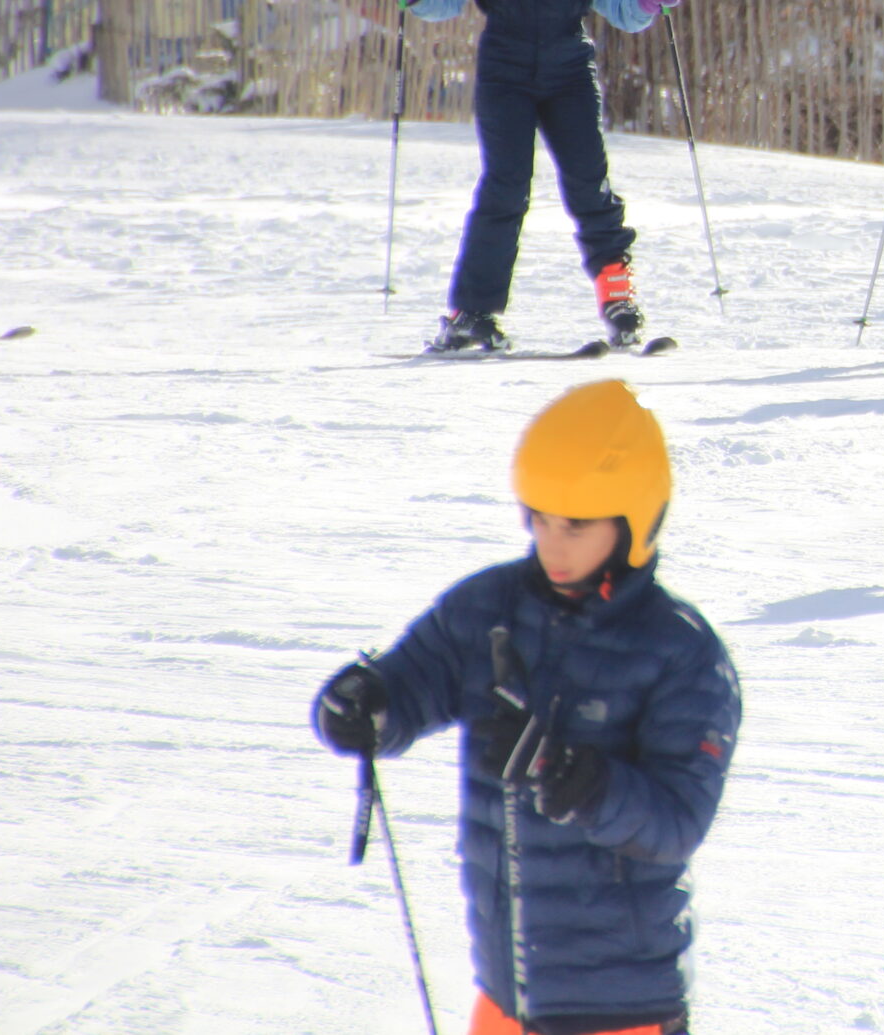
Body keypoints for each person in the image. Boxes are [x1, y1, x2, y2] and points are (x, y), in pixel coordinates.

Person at [310, 380, 741, 1035]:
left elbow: (678, 819)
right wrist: (369, 702)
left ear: (634, 522)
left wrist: (583, 781)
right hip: (506, 995)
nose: (552, 542)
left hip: (619, 1004)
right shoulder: (489, 608)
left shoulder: (680, 652)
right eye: (539, 517)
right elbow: (416, 678)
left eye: (575, 524)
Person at [388, 0, 681, 354]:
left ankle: (619, 302)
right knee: (506, 188)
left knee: (590, 184)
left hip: (570, 70)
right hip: (507, 71)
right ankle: (470, 314)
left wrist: (648, 0)